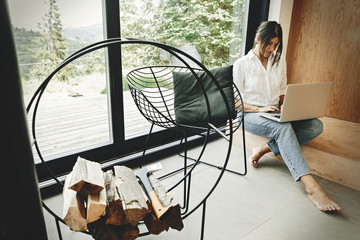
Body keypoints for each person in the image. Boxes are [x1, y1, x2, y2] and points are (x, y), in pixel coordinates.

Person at [233, 21, 341, 212]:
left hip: (274, 113)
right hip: (250, 113)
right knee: (283, 128)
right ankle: (310, 185)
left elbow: (283, 90)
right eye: (269, 44)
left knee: (315, 126)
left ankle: (264, 149)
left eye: (276, 45)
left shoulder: (278, 59)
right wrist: (260, 109)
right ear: (258, 38)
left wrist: (288, 110)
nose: (272, 49)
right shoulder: (241, 64)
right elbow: (235, 103)